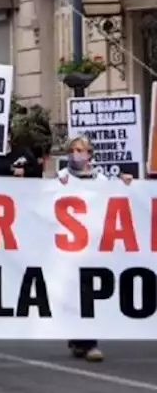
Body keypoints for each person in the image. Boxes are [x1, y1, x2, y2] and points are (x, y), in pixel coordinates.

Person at [58, 135, 133, 362]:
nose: (76, 154)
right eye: (72, 150)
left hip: (95, 244)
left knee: (90, 291)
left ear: (89, 154)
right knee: (74, 293)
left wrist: (127, 184)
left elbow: (118, 199)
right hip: (68, 246)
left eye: (81, 150)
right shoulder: (61, 178)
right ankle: (81, 339)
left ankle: (87, 341)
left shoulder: (100, 179)